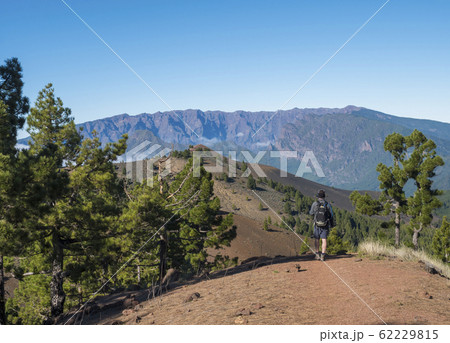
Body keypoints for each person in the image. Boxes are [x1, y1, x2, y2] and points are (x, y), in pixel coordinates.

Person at [309, 189, 335, 261]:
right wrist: (332, 224)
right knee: (324, 240)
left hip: (317, 224)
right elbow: (331, 215)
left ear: (318, 196)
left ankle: (317, 254)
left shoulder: (315, 203)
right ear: (324, 196)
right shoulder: (327, 204)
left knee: (317, 239)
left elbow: (311, 213)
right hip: (325, 225)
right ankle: (323, 255)